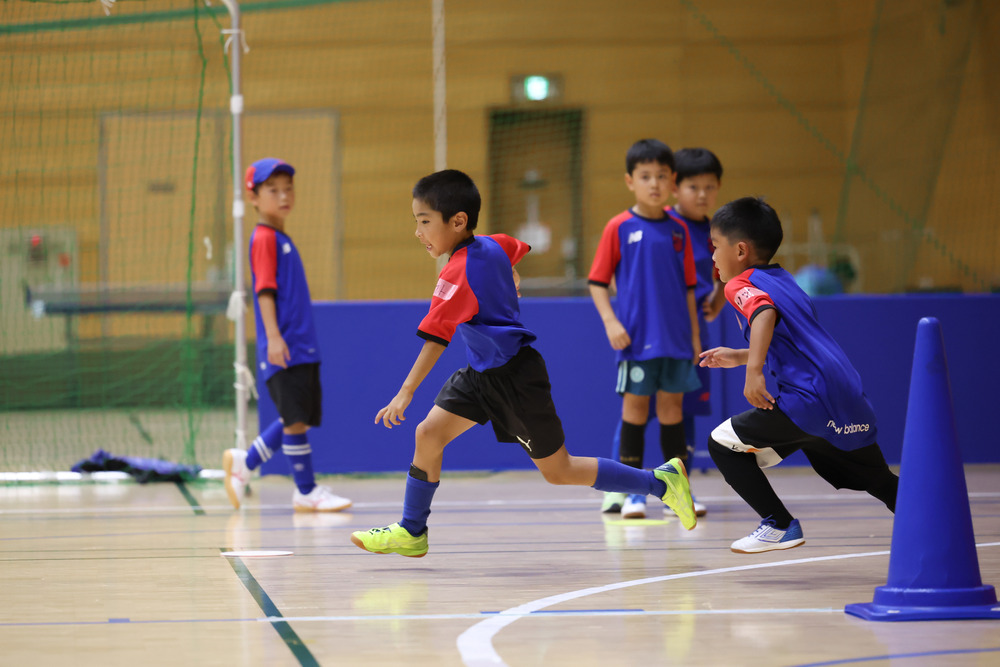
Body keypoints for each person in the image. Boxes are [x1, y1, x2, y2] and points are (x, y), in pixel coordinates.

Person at [350, 169, 696, 558]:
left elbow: (436, 339)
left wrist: (405, 392)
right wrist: (510, 274)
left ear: (458, 221)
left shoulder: (457, 272)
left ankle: (661, 482)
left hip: (515, 378)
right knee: (428, 434)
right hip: (480, 373)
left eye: (425, 221)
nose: (418, 232)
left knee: (560, 471)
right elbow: (515, 248)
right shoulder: (491, 244)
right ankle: (412, 532)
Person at [699, 196, 898, 553]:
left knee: (722, 444)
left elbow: (763, 314)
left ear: (740, 250)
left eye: (715, 246)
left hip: (808, 400)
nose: (712, 256)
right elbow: (796, 342)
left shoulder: (738, 284)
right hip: (846, 394)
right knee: (881, 482)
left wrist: (754, 372)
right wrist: (742, 357)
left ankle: (778, 524)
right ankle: (935, 521)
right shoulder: (785, 280)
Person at [222, 158, 352, 513]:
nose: (283, 196)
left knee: (297, 416)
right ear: (253, 197)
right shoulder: (264, 238)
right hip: (286, 344)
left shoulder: (281, 238)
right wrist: (274, 337)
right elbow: (264, 291)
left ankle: (245, 463)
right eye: (273, 190)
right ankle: (305, 491)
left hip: (302, 345)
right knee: (295, 420)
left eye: (288, 189)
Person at [589, 139, 702, 520]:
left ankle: (679, 493)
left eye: (661, 176)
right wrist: (611, 321)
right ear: (630, 181)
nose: (654, 184)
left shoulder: (679, 230)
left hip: (676, 341)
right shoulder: (618, 227)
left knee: (673, 412)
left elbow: (690, 289)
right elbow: (597, 282)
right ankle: (633, 493)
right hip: (636, 341)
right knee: (635, 412)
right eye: (645, 176)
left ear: (672, 181)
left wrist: (694, 336)